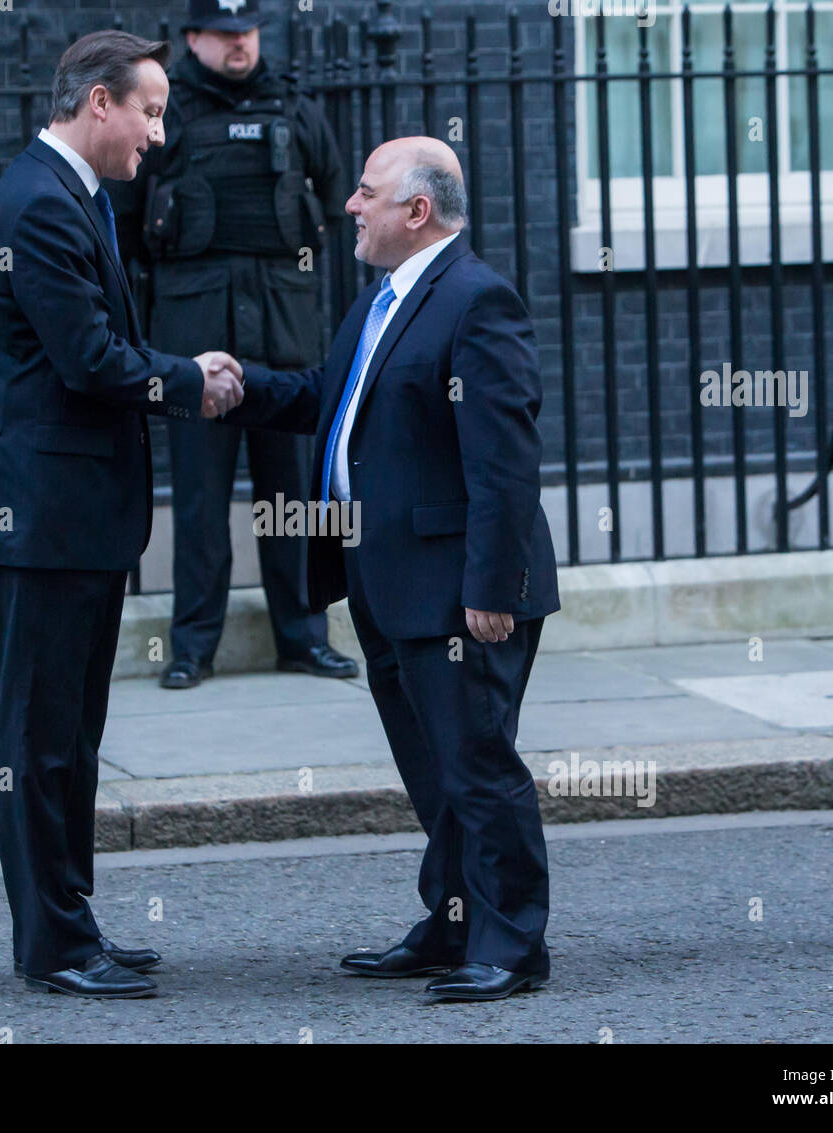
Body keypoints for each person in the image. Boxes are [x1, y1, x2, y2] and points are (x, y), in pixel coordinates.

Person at [225, 137, 562, 1001]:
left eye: (366, 192)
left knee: (479, 766)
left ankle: (513, 943)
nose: (350, 205)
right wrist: (236, 386)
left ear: (417, 211)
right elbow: (326, 399)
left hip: (459, 590)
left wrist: (492, 590)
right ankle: (454, 923)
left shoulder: (476, 300)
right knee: (436, 772)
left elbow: (504, 462)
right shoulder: (384, 301)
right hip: (385, 579)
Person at [0, 30, 244, 999]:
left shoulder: (70, 196)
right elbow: (87, 359)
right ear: (97, 106)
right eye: (151, 111)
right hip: (36, 518)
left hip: (73, 516)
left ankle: (72, 923)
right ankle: (53, 944)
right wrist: (186, 379)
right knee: (36, 741)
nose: (158, 134)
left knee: (70, 738)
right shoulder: (40, 204)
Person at [109, 0, 358, 689]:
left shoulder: (295, 107)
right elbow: (128, 220)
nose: (239, 44)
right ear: (194, 39)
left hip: (282, 334)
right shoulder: (169, 113)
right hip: (195, 337)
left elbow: (336, 203)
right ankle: (192, 646)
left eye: (246, 31)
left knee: (290, 497)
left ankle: (304, 637)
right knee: (200, 499)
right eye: (224, 34)